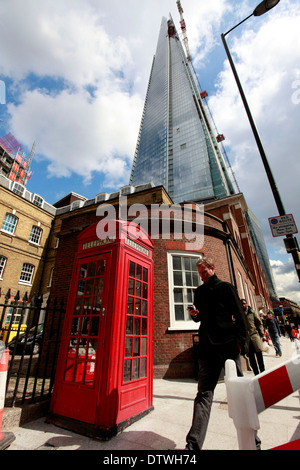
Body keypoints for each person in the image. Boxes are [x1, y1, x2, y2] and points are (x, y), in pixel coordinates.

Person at [185, 256, 261, 450]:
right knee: (203, 395)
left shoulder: (227, 288)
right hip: (208, 349)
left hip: (228, 347)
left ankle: (254, 440)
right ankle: (193, 445)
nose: (202, 276)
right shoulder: (199, 291)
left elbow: (241, 316)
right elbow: (200, 317)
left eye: (204, 272)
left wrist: (240, 345)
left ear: (212, 268)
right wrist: (195, 315)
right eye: (199, 273)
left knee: (239, 394)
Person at [241, 299, 266, 375]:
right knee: (251, 358)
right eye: (241, 304)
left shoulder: (252, 312)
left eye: (244, 303)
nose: (243, 305)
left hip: (254, 336)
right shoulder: (240, 314)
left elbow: (259, 323)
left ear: (247, 304)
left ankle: (263, 372)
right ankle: (256, 374)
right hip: (247, 339)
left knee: (259, 355)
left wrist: (262, 334)